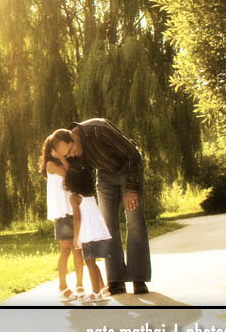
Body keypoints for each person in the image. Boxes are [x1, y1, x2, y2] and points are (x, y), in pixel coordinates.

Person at [47, 119, 151, 295]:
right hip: (104, 176)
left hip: (128, 171)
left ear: (74, 137)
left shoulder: (98, 130)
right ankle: (115, 280)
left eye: (71, 150)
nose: (72, 155)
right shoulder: (73, 150)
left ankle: (138, 278)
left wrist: (132, 189)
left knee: (135, 223)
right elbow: (73, 173)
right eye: (68, 154)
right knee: (108, 226)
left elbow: (134, 155)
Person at [39, 135, 85, 302]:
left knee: (77, 248)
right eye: (64, 145)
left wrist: (64, 159)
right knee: (65, 249)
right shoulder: (51, 165)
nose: (67, 147)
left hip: (73, 210)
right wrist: (60, 158)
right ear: (55, 148)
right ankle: (62, 286)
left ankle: (80, 284)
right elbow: (68, 175)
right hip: (62, 212)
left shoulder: (66, 161)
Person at [64, 157, 112, 302]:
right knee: (93, 263)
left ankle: (96, 293)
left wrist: (75, 237)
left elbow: (77, 218)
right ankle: (103, 288)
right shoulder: (89, 195)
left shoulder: (74, 197)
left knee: (90, 263)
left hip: (87, 233)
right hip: (97, 231)